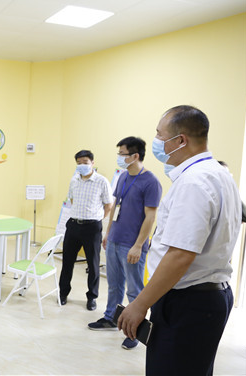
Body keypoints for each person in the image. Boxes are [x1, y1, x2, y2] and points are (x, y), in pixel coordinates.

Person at [117, 105, 241, 375]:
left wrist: (140, 304)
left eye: (160, 135)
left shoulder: (194, 182)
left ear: (180, 140)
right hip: (207, 296)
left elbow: (180, 255)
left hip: (188, 301)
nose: (156, 141)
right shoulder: (219, 174)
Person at [87, 137, 162, 351]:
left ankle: (134, 331)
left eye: (122, 154)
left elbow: (150, 217)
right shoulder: (122, 177)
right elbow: (115, 207)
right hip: (114, 240)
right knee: (114, 283)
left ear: (135, 156)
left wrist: (138, 245)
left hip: (132, 244)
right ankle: (110, 317)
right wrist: (108, 232)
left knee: (134, 290)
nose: (119, 157)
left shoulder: (151, 182)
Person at [59, 150, 113, 310]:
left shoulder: (101, 181)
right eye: (79, 163)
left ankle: (92, 297)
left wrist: (97, 218)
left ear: (92, 163)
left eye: (85, 162)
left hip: (92, 227)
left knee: (93, 264)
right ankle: (63, 293)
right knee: (67, 262)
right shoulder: (74, 180)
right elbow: (72, 200)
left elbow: (108, 205)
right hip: (73, 225)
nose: (82, 165)